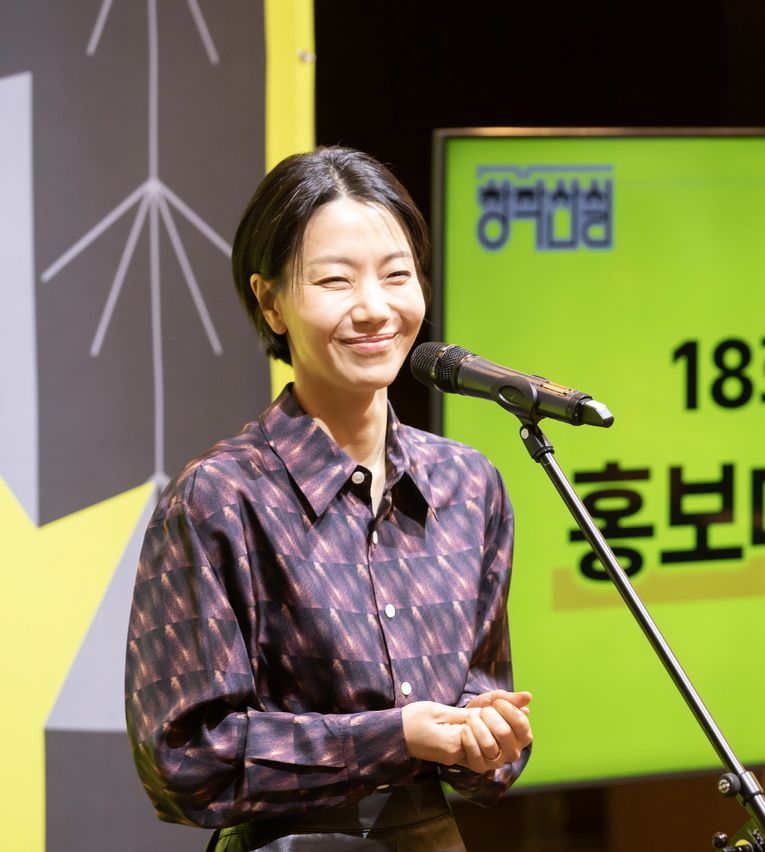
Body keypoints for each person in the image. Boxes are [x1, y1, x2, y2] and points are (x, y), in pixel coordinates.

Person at [125, 146, 531, 851]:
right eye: (336, 281)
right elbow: (184, 760)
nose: (375, 309)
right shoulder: (221, 498)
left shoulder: (469, 486)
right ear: (271, 301)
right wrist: (398, 735)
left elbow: (484, 714)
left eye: (397, 275)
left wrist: (488, 740)